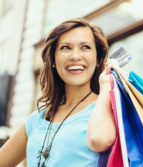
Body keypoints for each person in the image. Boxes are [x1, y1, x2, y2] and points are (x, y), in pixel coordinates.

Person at [0, 18, 116, 167]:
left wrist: (106, 85)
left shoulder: (108, 108)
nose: (75, 56)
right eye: (65, 48)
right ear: (53, 59)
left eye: (85, 47)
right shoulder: (36, 120)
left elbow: (100, 140)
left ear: (98, 58)